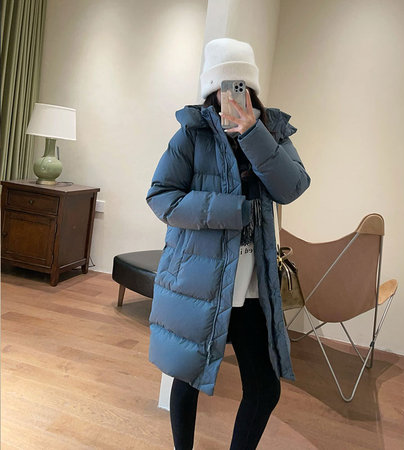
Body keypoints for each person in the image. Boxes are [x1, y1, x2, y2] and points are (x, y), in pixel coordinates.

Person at [146, 37, 311, 450]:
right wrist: (229, 210)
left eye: (242, 87)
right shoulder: (192, 133)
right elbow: (161, 197)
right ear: (211, 91)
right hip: (198, 280)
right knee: (186, 377)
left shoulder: (272, 132)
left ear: (252, 89)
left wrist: (253, 132)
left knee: (264, 389)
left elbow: (292, 187)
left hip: (252, 287)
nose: (233, 96)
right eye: (225, 87)